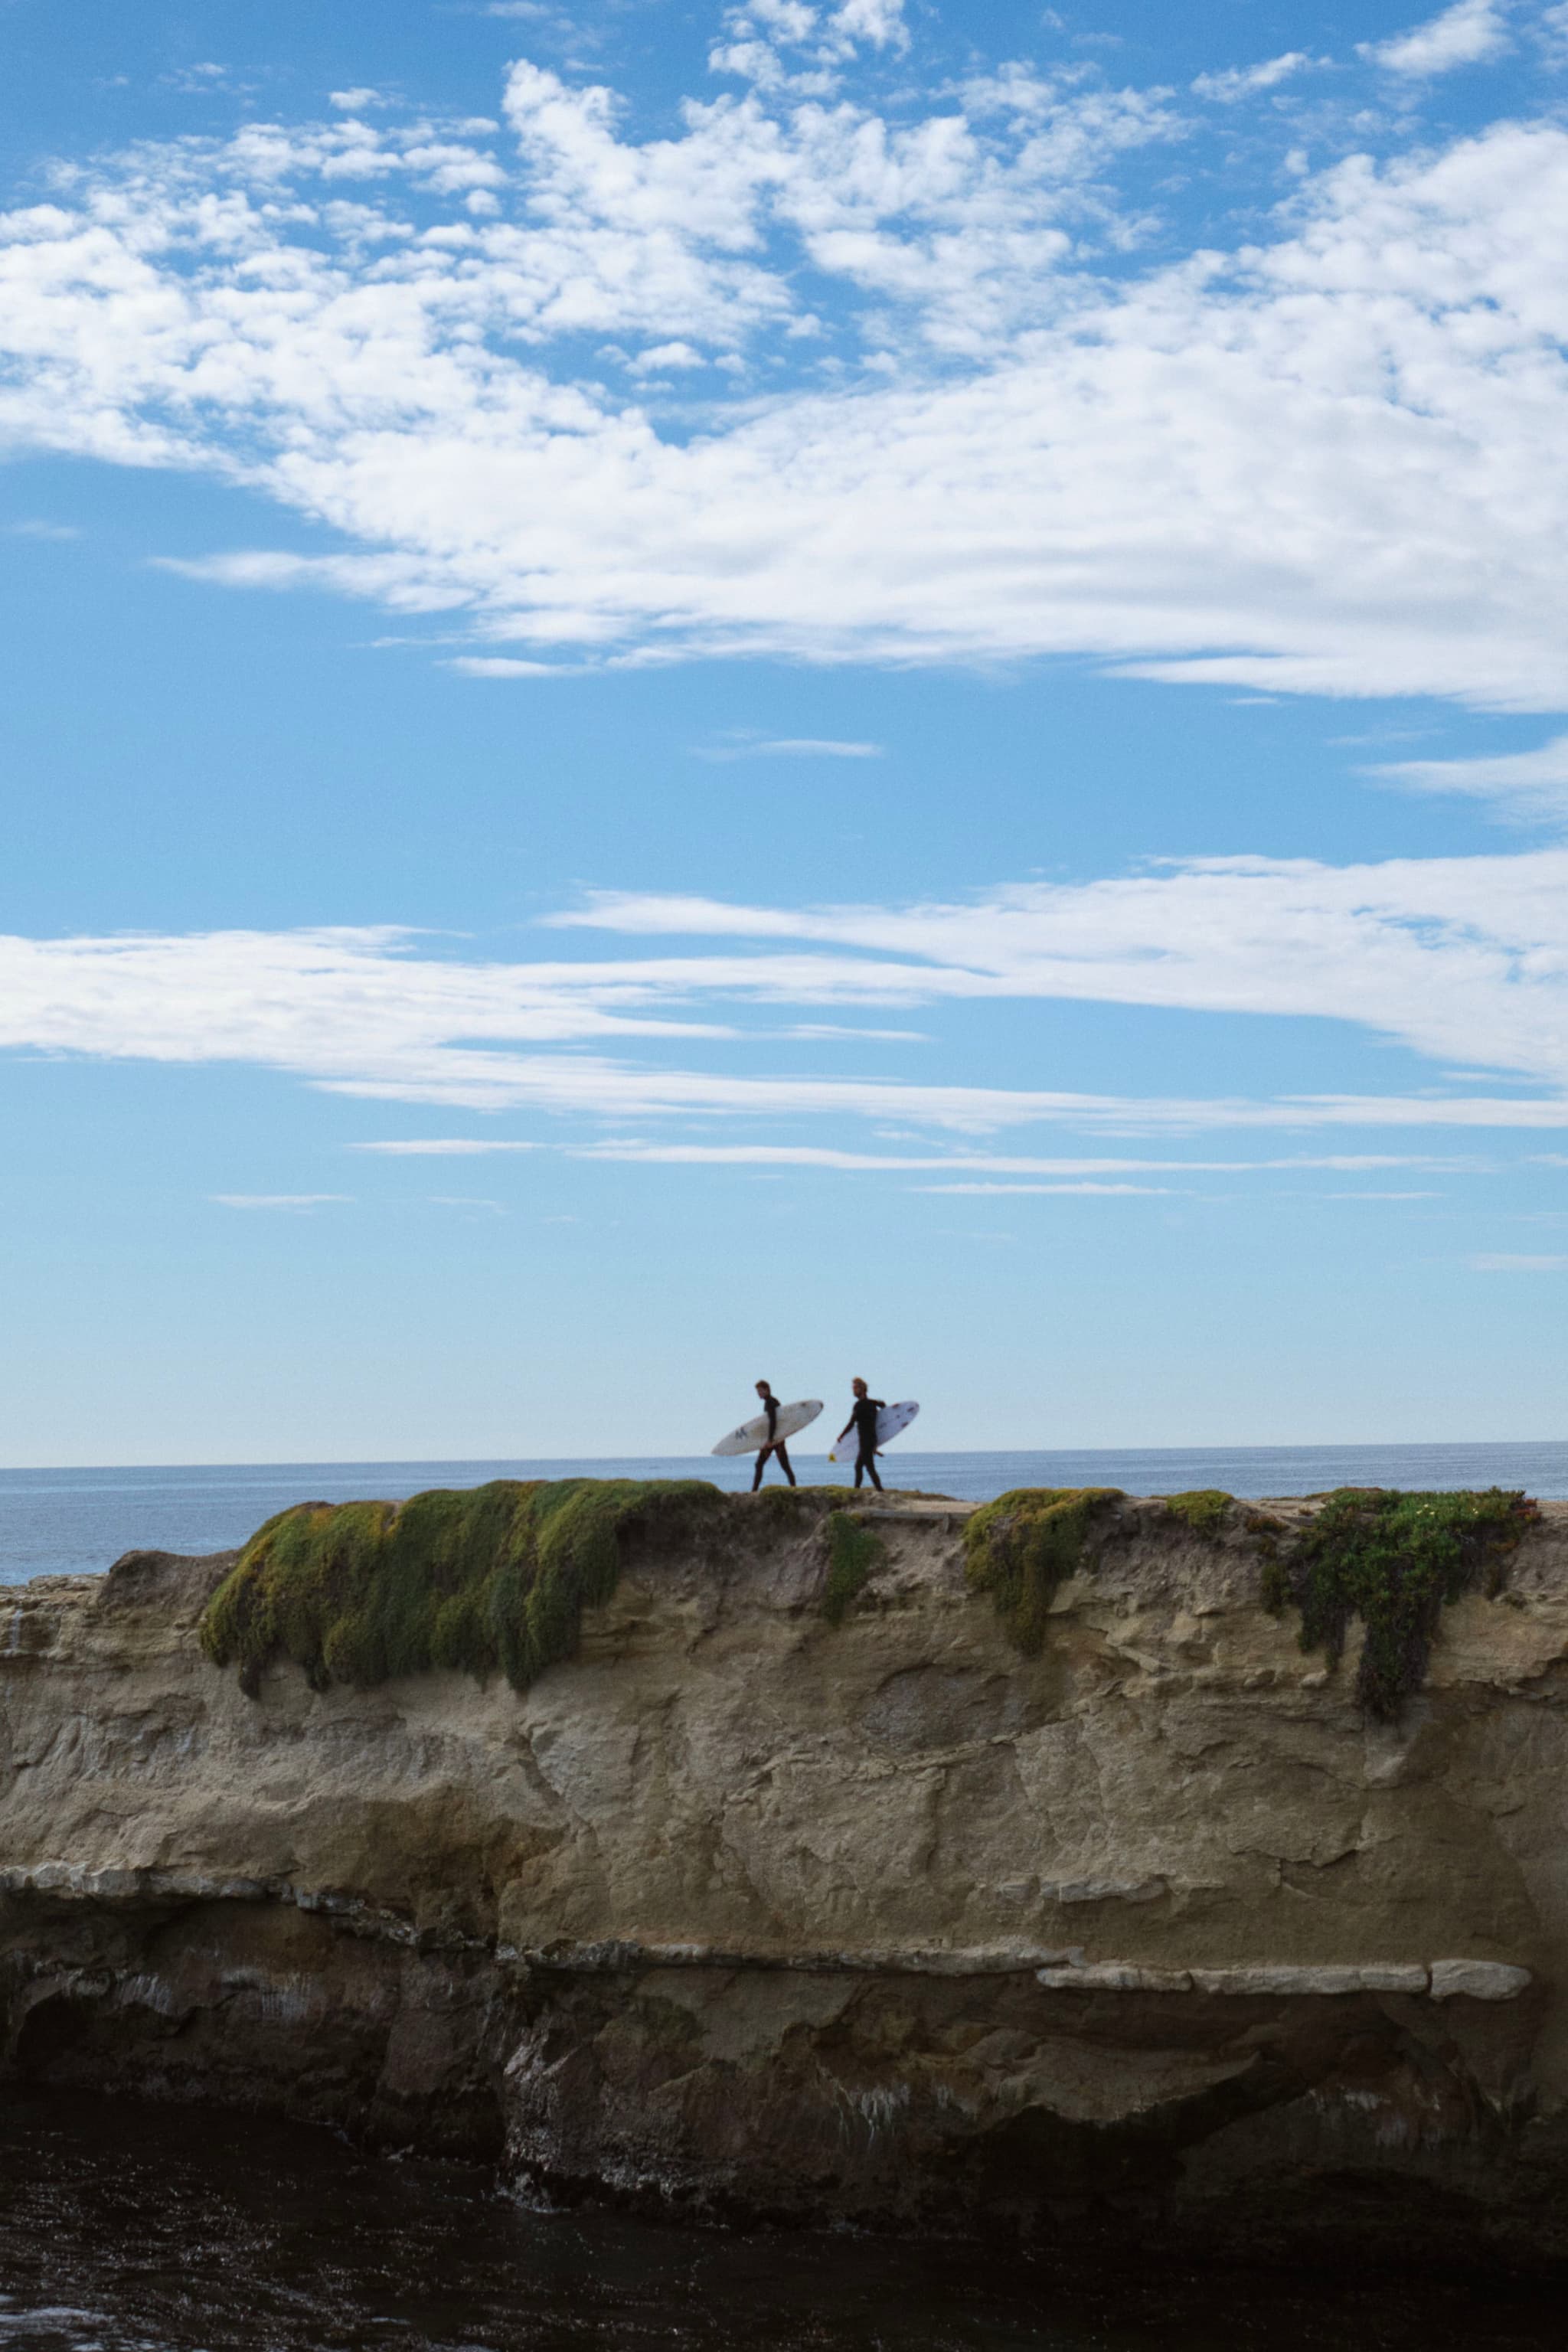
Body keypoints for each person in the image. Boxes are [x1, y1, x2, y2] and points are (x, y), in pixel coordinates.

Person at [837, 1377, 885, 1492]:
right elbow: (883, 1405)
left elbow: (851, 1423)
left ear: (861, 1389)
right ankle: (857, 1491)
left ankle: (880, 1492)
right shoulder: (873, 1404)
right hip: (872, 1439)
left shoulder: (859, 1405)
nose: (853, 1391)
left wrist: (842, 1435)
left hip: (866, 1440)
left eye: (855, 1388)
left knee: (869, 1468)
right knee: (859, 1466)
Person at [751, 1380, 798, 1491]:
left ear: (767, 1390)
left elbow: (773, 1422)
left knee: (759, 1464)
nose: (759, 1394)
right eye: (758, 1392)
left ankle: (754, 1491)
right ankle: (794, 1488)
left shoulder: (770, 1403)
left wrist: (770, 1440)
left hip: (775, 1440)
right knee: (784, 1466)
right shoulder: (772, 1401)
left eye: (760, 1391)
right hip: (777, 1439)